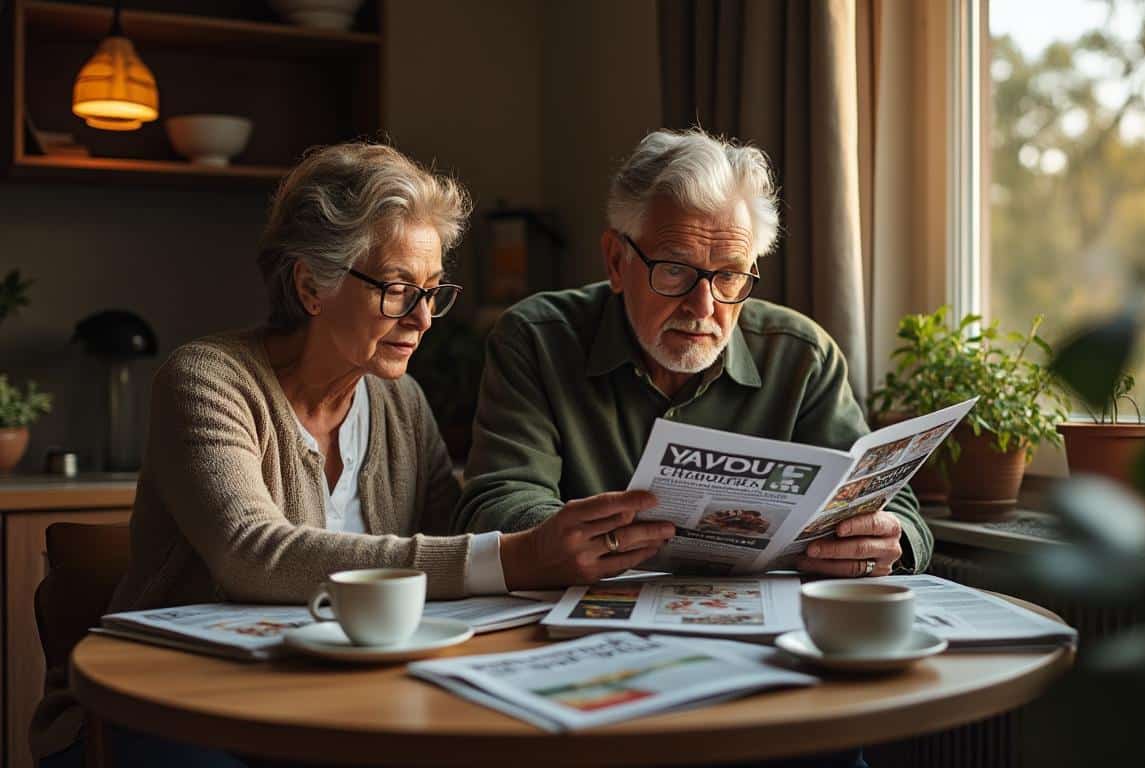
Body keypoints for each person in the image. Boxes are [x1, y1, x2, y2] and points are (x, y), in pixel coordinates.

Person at [33, 142, 673, 768]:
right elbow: (253, 553)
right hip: (161, 703)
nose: (423, 319)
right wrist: (512, 556)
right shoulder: (207, 380)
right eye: (398, 289)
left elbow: (451, 544)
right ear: (312, 285)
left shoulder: (401, 403)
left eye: (433, 291)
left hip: (328, 703)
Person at [459, 128, 932, 581]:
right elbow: (495, 501)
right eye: (674, 270)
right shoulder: (538, 340)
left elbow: (895, 509)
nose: (703, 307)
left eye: (729, 275)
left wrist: (887, 541)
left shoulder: (803, 358)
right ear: (616, 261)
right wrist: (560, 538)